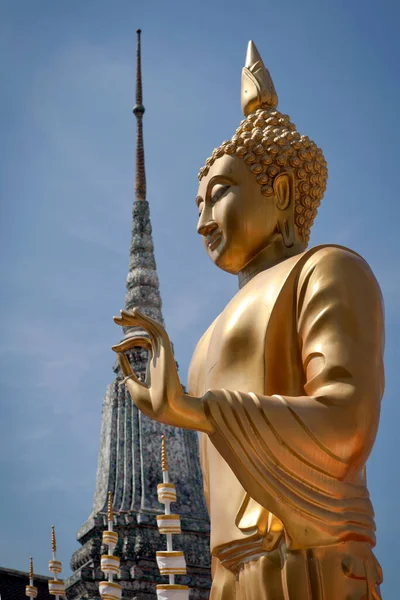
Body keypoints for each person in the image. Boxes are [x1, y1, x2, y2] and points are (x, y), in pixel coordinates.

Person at [113, 41, 384, 600]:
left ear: (280, 192)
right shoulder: (210, 335)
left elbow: (348, 422)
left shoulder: (326, 270)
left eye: (219, 196)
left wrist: (193, 409)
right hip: (225, 576)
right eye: (197, 206)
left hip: (309, 563)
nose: (203, 223)